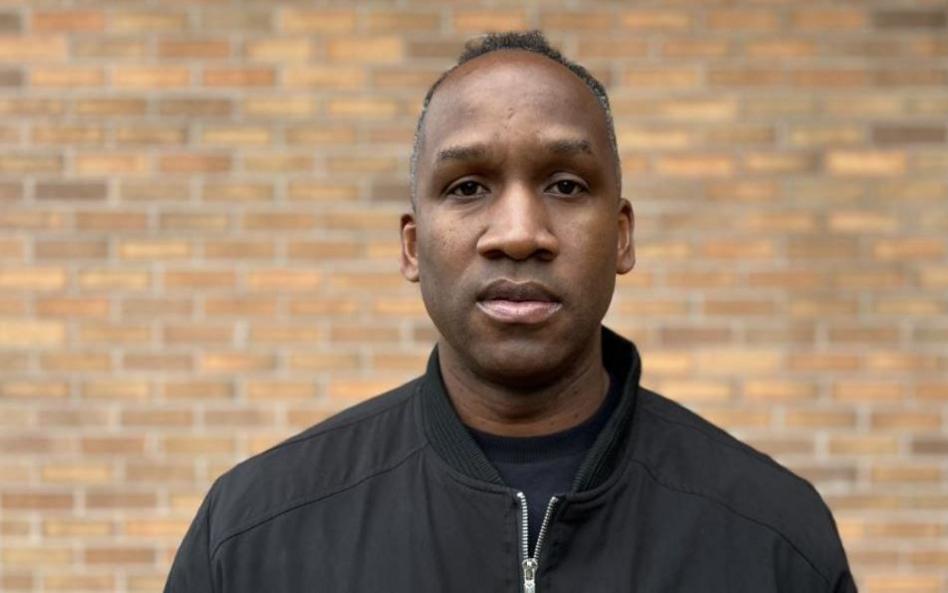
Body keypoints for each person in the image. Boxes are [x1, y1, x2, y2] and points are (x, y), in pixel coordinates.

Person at [164, 31, 857, 592]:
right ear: (412, 246)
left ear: (621, 236)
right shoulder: (255, 536)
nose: (519, 231)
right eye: (467, 187)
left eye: (564, 183)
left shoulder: (773, 539)